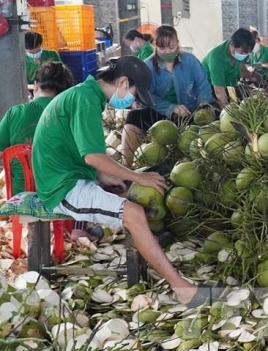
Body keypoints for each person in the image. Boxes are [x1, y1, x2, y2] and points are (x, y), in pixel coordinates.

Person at [31, 56, 219, 306]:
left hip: (68, 176)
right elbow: (93, 156)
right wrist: (135, 176)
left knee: (128, 200)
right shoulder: (85, 99)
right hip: (62, 188)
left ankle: (159, 270)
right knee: (135, 214)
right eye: (133, 91)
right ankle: (183, 290)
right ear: (122, 81)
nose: (132, 98)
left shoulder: (85, 94)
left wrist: (107, 177)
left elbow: (75, 150)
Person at [121, 26, 214, 166]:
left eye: (171, 47)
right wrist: (171, 108)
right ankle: (126, 165)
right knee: (134, 116)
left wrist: (204, 104)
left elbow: (203, 85)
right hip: (160, 115)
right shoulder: (148, 67)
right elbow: (148, 96)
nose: (167, 52)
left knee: (213, 116)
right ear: (155, 46)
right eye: (162, 48)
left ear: (177, 42)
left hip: (189, 113)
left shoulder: (190, 61)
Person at [1, 62, 73, 196]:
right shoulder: (70, 115)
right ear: (66, 92)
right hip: (60, 196)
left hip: (19, 194)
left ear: (35, 86)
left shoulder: (14, 113)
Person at [202, 28, 256, 108]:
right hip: (210, 90)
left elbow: (240, 67)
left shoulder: (241, 52)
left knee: (248, 97)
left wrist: (250, 75)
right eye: (242, 52)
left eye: (247, 52)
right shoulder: (216, 58)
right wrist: (228, 113)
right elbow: (219, 91)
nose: (244, 55)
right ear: (232, 45)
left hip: (229, 86)